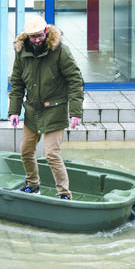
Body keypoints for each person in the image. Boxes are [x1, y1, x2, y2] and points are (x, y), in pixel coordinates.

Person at [8, 14, 84, 200]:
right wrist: (14, 111)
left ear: (46, 31)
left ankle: (64, 194)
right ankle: (32, 184)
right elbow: (17, 82)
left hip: (55, 110)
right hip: (32, 111)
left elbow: (75, 80)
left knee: (52, 154)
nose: (37, 40)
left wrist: (75, 112)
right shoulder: (22, 52)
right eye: (33, 37)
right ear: (27, 36)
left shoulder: (60, 50)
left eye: (40, 35)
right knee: (26, 150)